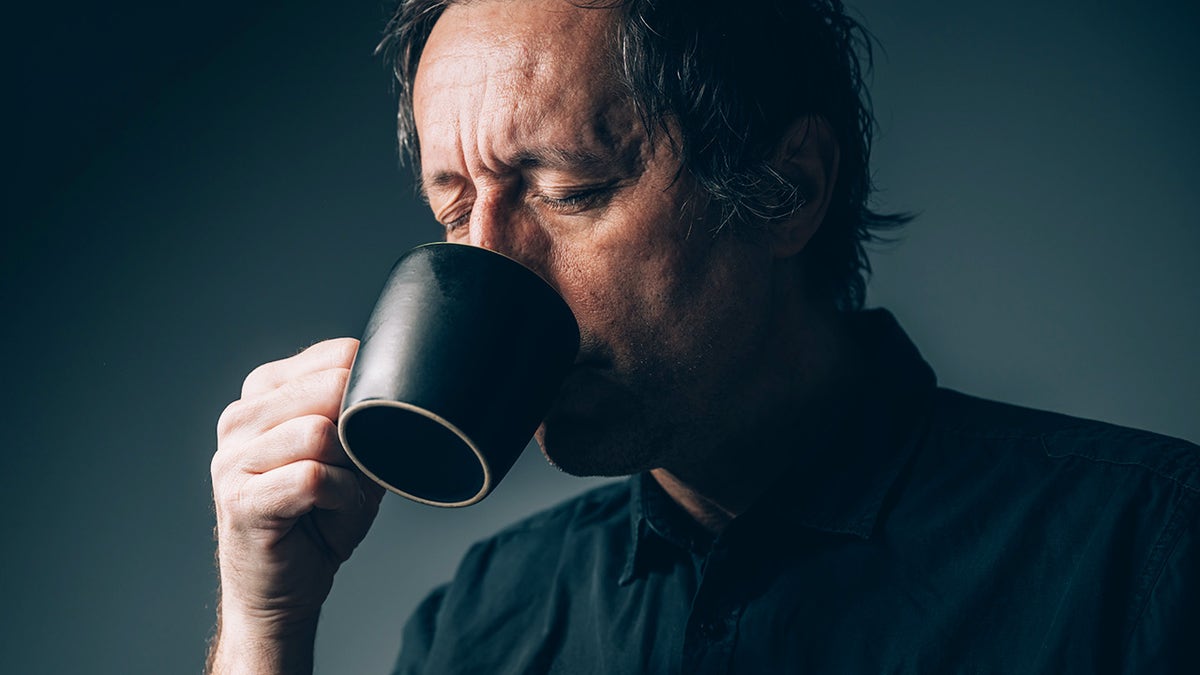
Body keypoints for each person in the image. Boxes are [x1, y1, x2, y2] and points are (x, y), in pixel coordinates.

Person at [206, 0, 1199, 672]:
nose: (491, 266)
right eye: (455, 210)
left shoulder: (1147, 557)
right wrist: (264, 628)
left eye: (570, 193)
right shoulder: (488, 619)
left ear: (786, 191)